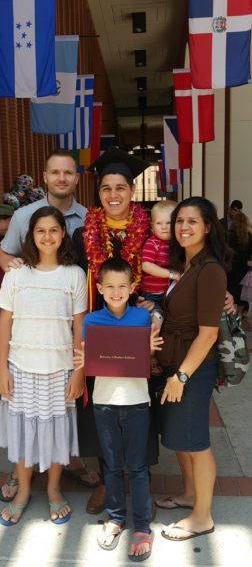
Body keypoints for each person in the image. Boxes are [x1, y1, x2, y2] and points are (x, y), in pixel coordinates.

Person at [0, 150, 99, 503]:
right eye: (54, 172)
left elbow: (79, 319)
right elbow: (6, 254)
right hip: (24, 349)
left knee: (59, 420)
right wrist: (17, 270)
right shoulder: (23, 216)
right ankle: (20, 480)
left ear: (76, 177)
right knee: (25, 421)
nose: (61, 178)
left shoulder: (88, 220)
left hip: (61, 351)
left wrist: (80, 366)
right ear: (45, 176)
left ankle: (62, 470)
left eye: (67, 172)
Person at [72, 147, 157, 515]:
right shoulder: (82, 234)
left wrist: (156, 307)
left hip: (138, 332)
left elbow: (160, 278)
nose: (113, 195)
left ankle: (141, 483)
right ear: (99, 193)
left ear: (132, 192)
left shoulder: (151, 228)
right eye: (106, 188)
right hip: (99, 329)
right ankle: (109, 482)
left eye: (120, 187)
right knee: (101, 407)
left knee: (139, 404)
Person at [0, 206, 87, 525]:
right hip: (20, 368)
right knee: (23, 434)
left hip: (59, 369)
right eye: (40, 231)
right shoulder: (17, 275)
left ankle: (53, 490)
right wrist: (0, 369)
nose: (47, 237)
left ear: (63, 234)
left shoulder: (74, 275)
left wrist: (79, 371)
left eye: (53, 230)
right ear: (31, 236)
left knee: (57, 432)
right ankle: (22, 492)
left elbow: (79, 326)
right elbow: (5, 323)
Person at [73, 257, 163, 561]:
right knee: (110, 466)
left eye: (122, 286)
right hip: (104, 403)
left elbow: (147, 355)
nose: (115, 291)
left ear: (132, 287)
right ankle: (114, 518)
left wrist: (150, 349)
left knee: (137, 467)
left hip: (137, 402)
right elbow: (89, 361)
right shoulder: (91, 321)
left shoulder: (141, 318)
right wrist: (83, 362)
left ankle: (141, 526)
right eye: (109, 286)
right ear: (98, 287)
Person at [155, 197, 231, 541]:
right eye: (178, 221)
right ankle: (189, 495)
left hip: (193, 368)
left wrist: (182, 375)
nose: (183, 227)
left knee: (196, 441)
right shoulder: (185, 265)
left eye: (192, 222)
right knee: (182, 439)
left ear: (208, 227)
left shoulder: (211, 269)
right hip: (175, 362)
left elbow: (209, 333)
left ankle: (203, 516)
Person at [141, 199, 180, 320]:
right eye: (159, 223)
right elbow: (146, 265)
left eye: (169, 223)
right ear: (152, 226)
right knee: (156, 318)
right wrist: (171, 274)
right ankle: (153, 336)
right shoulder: (152, 243)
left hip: (168, 293)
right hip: (151, 295)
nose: (164, 227)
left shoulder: (176, 244)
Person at [227, 212, 252, 317]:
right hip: (243, 267)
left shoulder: (228, 235)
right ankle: (241, 312)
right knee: (241, 290)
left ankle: (232, 312)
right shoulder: (249, 236)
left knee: (231, 289)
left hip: (230, 266)